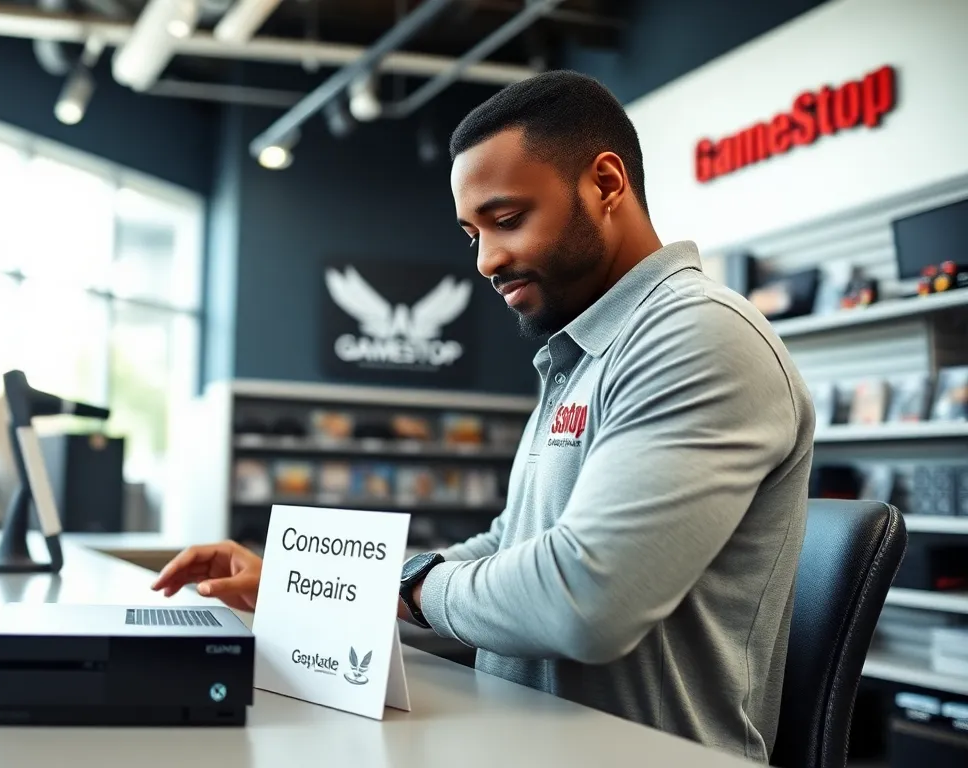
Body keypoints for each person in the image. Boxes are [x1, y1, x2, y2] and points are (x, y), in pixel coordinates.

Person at [153, 71, 814, 763]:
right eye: (473, 233)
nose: (487, 260)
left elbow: (582, 599)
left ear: (607, 184)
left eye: (506, 220)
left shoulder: (697, 335)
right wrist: (304, 586)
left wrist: (404, 589)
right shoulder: (583, 353)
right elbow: (510, 544)